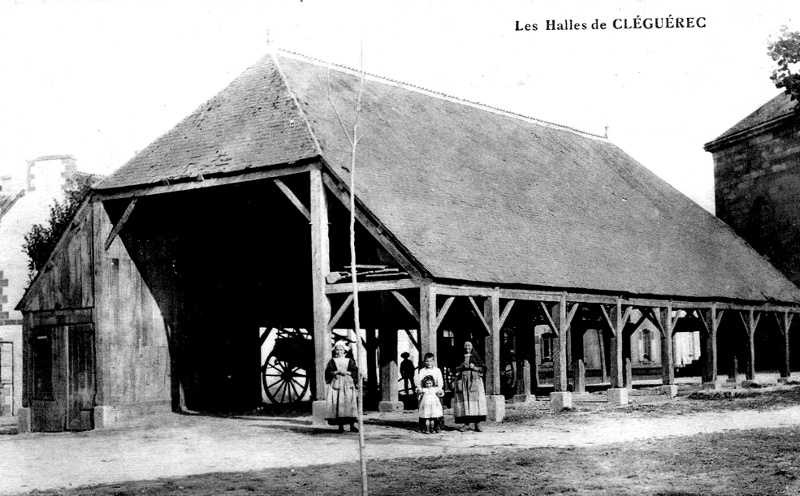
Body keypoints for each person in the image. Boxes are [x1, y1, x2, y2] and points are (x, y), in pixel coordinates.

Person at [452, 340, 487, 432]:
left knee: (476, 402)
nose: (467, 348)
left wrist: (474, 367)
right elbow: (454, 368)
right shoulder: (459, 356)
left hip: (474, 381)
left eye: (469, 346)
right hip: (462, 380)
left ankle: (477, 423)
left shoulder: (477, 356)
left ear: (472, 347)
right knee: (465, 402)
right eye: (466, 346)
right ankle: (466, 424)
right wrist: (461, 366)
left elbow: (483, 368)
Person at [324, 341, 359, 433]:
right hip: (337, 384)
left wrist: (348, 373)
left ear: (344, 351)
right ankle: (340, 426)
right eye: (337, 350)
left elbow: (355, 371)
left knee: (349, 403)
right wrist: (337, 372)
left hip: (348, 383)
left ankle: (352, 425)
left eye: (341, 350)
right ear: (335, 351)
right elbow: (328, 372)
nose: (339, 352)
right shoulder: (332, 361)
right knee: (338, 403)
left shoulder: (349, 361)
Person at [415, 352, 445, 432]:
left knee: (436, 410)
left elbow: (440, 381)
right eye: (427, 361)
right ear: (424, 361)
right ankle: (424, 426)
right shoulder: (422, 371)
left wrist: (439, 390)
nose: (428, 363)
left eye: (430, 361)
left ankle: (437, 425)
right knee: (425, 410)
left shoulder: (437, 370)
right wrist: (420, 389)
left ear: (433, 361)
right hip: (425, 393)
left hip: (434, 392)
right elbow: (419, 381)